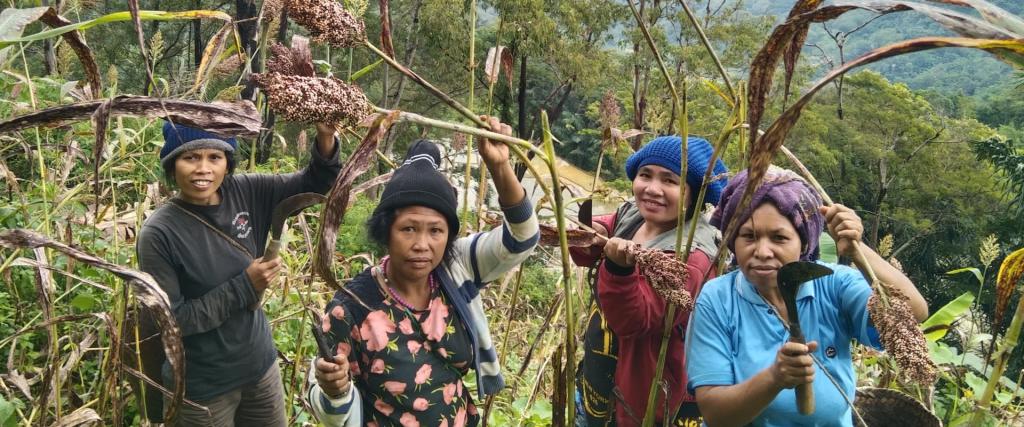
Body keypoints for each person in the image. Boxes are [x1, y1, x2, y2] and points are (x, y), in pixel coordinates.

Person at [309, 117, 539, 426]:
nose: (422, 244)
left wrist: (499, 167)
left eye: (436, 231)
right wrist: (333, 391)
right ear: (385, 232)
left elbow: (522, 238)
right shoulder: (349, 308)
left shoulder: (457, 266)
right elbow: (331, 415)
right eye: (408, 229)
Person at [685, 166, 929, 426]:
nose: (763, 251)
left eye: (779, 238)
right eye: (749, 236)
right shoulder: (718, 299)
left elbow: (914, 312)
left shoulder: (832, 283)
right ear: (733, 241)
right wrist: (774, 378)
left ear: (804, 243)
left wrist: (858, 250)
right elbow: (715, 414)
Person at [136, 121, 341, 426]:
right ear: (172, 163)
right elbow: (172, 321)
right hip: (201, 390)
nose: (203, 168)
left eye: (214, 158)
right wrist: (245, 286)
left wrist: (325, 138)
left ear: (227, 162)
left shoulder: (247, 191)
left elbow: (312, 184)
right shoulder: (159, 233)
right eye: (190, 158)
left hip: (260, 369)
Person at [570, 135, 729, 426]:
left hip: (645, 405)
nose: (652, 189)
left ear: (694, 194)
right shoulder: (633, 215)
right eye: (646, 175)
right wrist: (587, 233)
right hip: (598, 385)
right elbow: (594, 241)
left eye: (669, 180)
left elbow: (634, 320)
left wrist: (619, 270)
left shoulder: (693, 258)